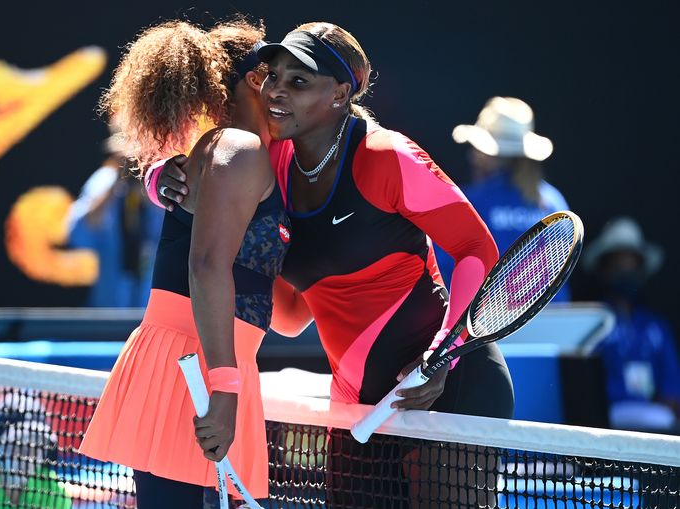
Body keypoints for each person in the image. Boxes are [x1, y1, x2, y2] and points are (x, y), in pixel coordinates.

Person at [150, 22, 514, 507]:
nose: (278, 90)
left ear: (341, 94)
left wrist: (440, 357)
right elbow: (290, 317)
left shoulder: (387, 157)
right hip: (356, 403)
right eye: (274, 76)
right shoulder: (270, 160)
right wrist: (162, 180)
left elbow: (477, 249)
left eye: (298, 81)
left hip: (448, 382)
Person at [78, 19, 290, 508]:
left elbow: (284, 312)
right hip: (201, 370)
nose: (288, 90)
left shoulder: (240, 153)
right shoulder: (240, 148)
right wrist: (225, 386)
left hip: (205, 363)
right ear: (257, 80)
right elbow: (207, 268)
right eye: (281, 76)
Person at [435, 96, 571, 301]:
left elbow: (441, 277)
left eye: (476, 147)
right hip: (552, 328)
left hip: (485, 331)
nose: (472, 155)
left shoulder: (468, 203)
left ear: (486, 153)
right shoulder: (555, 203)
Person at [583, 217, 680, 431]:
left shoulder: (657, 327)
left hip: (654, 421)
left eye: (631, 265)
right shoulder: (591, 322)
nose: (625, 271)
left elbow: (672, 393)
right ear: (604, 269)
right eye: (617, 265)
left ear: (641, 269)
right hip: (604, 422)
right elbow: (583, 388)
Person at [66, 123, 164, 307]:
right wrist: (119, 178)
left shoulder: (158, 182)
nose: (134, 160)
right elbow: (77, 233)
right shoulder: (103, 180)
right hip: (110, 305)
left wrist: (146, 185)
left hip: (150, 306)